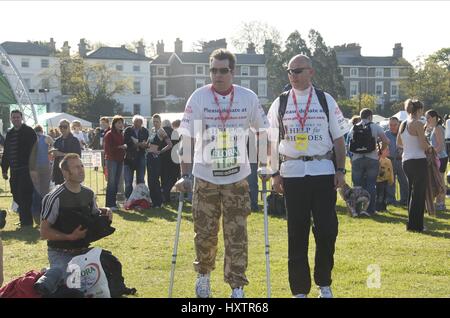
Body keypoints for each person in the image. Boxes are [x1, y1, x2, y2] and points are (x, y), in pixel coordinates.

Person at [176, 48, 269, 298]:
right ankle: (203, 276)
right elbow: (187, 138)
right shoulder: (198, 98)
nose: (217, 75)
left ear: (232, 72)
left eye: (223, 70)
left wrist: (264, 164)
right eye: (213, 70)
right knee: (205, 233)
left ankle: (237, 286)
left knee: (236, 233)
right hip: (205, 177)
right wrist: (185, 174)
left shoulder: (247, 98)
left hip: (237, 178)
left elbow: (262, 132)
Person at [267, 54, 347, 298]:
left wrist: (341, 170)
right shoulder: (280, 102)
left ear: (311, 72)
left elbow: (339, 138)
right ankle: (299, 290)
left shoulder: (325, 99)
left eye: (298, 71)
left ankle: (324, 283)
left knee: (326, 229)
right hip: (292, 174)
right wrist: (274, 173)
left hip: (323, 171)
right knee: (296, 232)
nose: (293, 76)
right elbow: (271, 142)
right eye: (290, 71)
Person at [40, 153, 113, 273]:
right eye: (76, 167)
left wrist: (106, 212)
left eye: (82, 166)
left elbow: (94, 215)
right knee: (73, 282)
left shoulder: (89, 194)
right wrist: (69, 237)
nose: (81, 170)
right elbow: (44, 232)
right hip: (60, 253)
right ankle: (48, 272)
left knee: (110, 268)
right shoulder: (54, 198)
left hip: (84, 251)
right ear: (65, 172)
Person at [397, 99, 432, 232]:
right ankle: (416, 225)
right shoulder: (417, 123)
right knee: (419, 195)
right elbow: (423, 145)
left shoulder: (403, 124)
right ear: (418, 110)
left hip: (406, 161)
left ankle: (411, 223)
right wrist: (430, 147)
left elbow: (399, 143)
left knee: (412, 193)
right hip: (418, 160)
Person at [348, 108, 390, 215]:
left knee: (357, 185)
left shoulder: (354, 127)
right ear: (370, 116)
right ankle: (370, 210)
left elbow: (348, 144)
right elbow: (386, 140)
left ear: (360, 116)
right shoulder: (375, 126)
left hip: (357, 158)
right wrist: (380, 151)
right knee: (371, 184)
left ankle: (357, 209)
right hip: (372, 158)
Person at [1, 110, 37, 228]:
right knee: (16, 194)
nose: (15, 119)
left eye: (17, 117)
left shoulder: (29, 132)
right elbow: (7, 153)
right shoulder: (10, 133)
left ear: (21, 118)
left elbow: (34, 151)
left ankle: (27, 222)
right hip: (14, 171)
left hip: (26, 170)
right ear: (11, 119)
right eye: (13, 117)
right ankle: (24, 219)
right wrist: (4, 169)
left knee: (24, 195)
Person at [147, 115, 172, 208]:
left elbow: (170, 144)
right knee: (150, 180)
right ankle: (153, 201)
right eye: (154, 121)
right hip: (149, 156)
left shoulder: (161, 131)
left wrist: (160, 151)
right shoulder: (153, 130)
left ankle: (159, 202)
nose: (155, 123)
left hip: (155, 157)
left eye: (157, 121)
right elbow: (149, 143)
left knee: (155, 180)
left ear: (160, 122)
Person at [425, 110, 448, 211]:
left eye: (428, 118)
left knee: (440, 181)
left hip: (440, 157)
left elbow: (441, 146)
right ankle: (440, 202)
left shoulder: (438, 128)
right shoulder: (434, 128)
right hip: (438, 157)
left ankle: (440, 203)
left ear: (434, 117)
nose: (427, 120)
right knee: (438, 180)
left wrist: (432, 152)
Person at [30, 125, 54, 224]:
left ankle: (35, 214)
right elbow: (52, 147)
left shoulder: (31, 139)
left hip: (34, 168)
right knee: (45, 191)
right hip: (45, 167)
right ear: (41, 131)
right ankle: (45, 214)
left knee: (35, 191)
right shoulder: (46, 138)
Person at [123, 115, 149, 199]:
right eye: (136, 121)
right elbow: (127, 142)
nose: (138, 123)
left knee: (141, 180)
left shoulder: (145, 131)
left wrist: (138, 144)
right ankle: (128, 199)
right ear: (133, 122)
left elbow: (146, 143)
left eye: (140, 122)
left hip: (141, 157)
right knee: (128, 181)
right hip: (129, 158)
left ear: (142, 123)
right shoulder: (128, 130)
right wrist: (138, 144)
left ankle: (140, 198)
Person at [103, 116, 126, 210]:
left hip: (120, 160)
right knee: (111, 182)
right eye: (119, 123)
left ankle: (114, 202)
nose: (121, 125)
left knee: (116, 182)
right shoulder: (109, 134)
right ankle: (109, 204)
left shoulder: (121, 134)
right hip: (112, 160)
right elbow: (108, 149)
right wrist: (120, 147)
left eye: (122, 123)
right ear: (114, 124)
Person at [385, 117, 408, 206]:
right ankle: (391, 200)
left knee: (404, 181)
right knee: (391, 181)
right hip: (390, 161)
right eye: (391, 125)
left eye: (395, 125)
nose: (393, 127)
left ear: (399, 124)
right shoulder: (385, 134)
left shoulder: (403, 133)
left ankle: (405, 200)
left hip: (402, 161)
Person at [50, 119, 81, 186]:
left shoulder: (74, 140)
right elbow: (55, 155)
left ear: (69, 127)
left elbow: (77, 155)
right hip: (58, 172)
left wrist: (61, 154)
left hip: (71, 172)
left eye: (65, 127)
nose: (62, 129)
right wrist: (54, 154)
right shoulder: (57, 141)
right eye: (60, 127)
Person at [376, 144, 394, 212]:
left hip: (385, 180)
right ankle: (378, 208)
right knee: (379, 195)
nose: (388, 151)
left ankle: (384, 208)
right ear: (381, 151)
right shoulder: (377, 160)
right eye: (386, 150)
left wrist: (391, 180)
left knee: (385, 195)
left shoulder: (388, 161)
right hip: (378, 181)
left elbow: (391, 171)